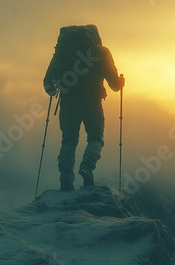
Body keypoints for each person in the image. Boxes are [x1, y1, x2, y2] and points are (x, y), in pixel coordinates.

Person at [43, 24, 125, 191]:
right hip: (92, 102)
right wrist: (121, 82)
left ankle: (66, 178)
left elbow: (47, 84)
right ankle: (87, 167)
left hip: (68, 102)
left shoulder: (61, 52)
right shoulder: (102, 51)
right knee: (95, 138)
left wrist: (58, 88)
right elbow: (115, 85)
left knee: (68, 141)